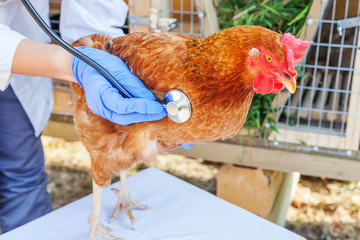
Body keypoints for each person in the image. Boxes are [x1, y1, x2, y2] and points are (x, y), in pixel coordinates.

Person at [0, 0, 167, 233]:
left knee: (21, 174)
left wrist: (99, 49)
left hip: (21, 45)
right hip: (22, 52)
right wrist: (71, 63)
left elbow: (93, 10)